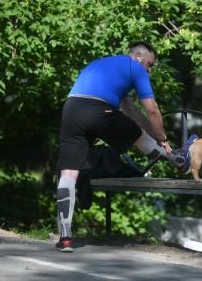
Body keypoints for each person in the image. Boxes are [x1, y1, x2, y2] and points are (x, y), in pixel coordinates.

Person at [56, 42, 193, 252]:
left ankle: (65, 237)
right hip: (98, 110)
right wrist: (161, 137)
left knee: (68, 174)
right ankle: (177, 159)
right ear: (138, 56)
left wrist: (152, 134)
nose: (149, 69)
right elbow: (152, 110)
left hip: (71, 109)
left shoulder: (106, 66)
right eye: (150, 64)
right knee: (137, 137)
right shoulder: (136, 68)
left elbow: (131, 111)